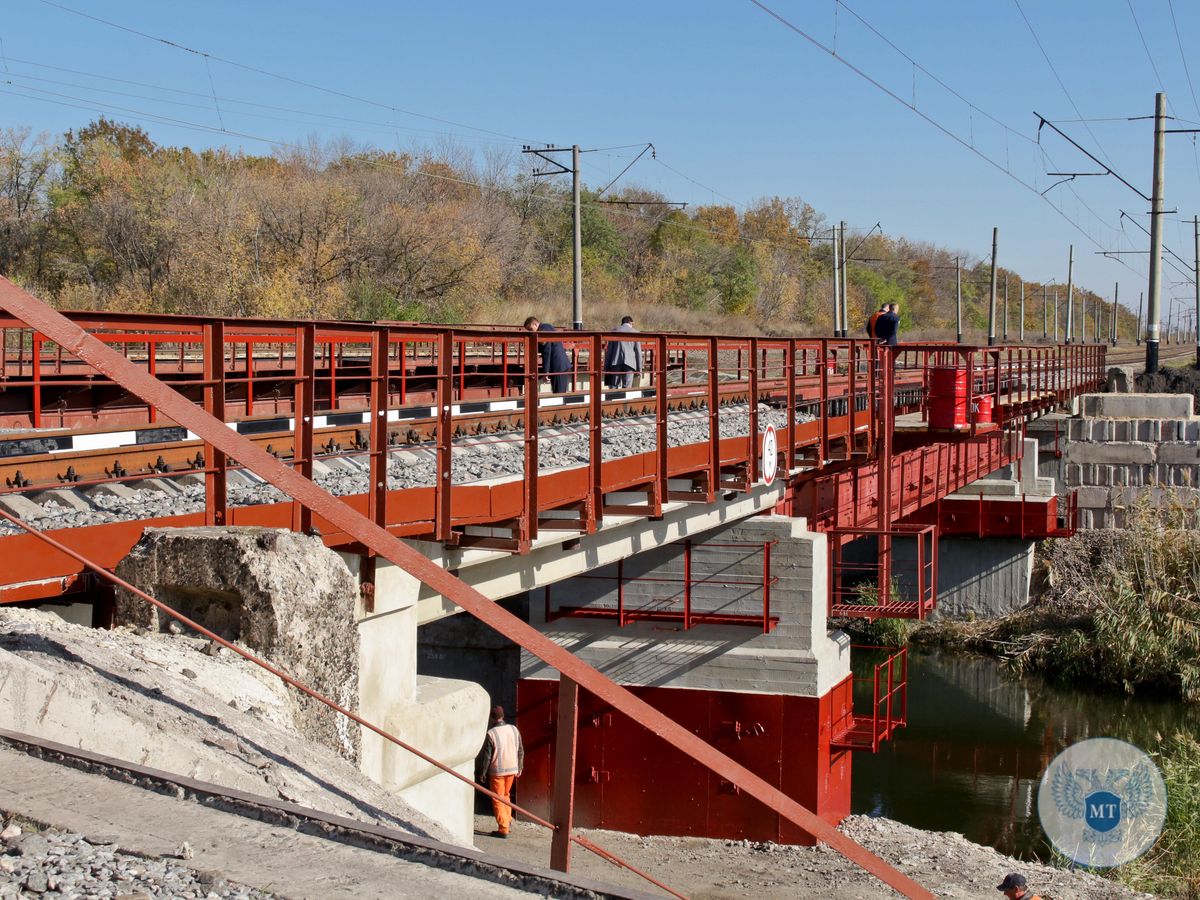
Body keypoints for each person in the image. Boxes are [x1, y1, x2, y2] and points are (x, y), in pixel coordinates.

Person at [482, 705, 524, 838]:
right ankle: (507, 820)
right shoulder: (514, 729)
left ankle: (503, 828)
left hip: (497, 772)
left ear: (492, 718)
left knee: (497, 799)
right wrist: (520, 766)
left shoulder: (491, 733)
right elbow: (521, 750)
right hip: (512, 768)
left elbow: (487, 757)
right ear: (503, 716)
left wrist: (483, 773)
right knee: (506, 795)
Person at [523, 316, 571, 393]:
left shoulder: (544, 329)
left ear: (535, 324)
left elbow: (546, 351)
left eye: (531, 329)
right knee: (558, 391)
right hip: (558, 365)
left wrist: (546, 372)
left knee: (559, 393)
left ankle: (560, 404)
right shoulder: (546, 327)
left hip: (558, 366)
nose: (530, 332)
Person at [603, 315, 642, 389]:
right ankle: (626, 400)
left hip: (615, 363)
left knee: (614, 387)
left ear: (622, 323)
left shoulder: (614, 332)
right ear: (631, 322)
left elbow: (609, 351)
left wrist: (606, 367)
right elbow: (638, 353)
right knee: (627, 387)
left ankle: (613, 399)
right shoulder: (635, 332)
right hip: (630, 364)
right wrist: (639, 369)